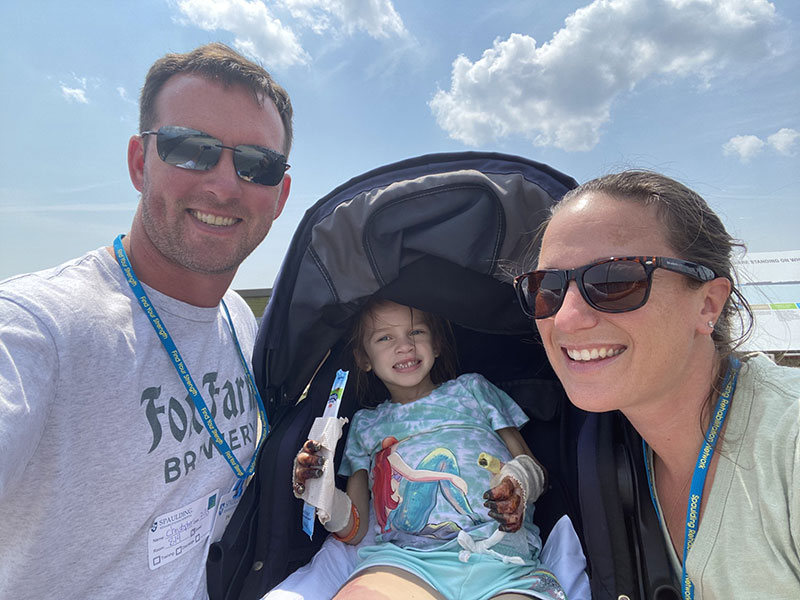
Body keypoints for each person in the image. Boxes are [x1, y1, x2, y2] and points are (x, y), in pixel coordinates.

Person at [0, 43, 292, 599]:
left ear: (279, 196)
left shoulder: (237, 319)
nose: (225, 185)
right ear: (140, 162)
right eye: (192, 149)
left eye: (257, 164)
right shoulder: (38, 330)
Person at [513, 170, 800, 598]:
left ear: (709, 303)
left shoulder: (788, 445)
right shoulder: (624, 447)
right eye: (545, 287)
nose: (567, 318)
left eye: (614, 280)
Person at [293, 299, 566, 600]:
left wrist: (518, 484)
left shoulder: (473, 390)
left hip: (503, 558)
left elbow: (534, 468)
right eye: (385, 338)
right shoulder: (366, 424)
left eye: (417, 332)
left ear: (436, 345)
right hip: (406, 563)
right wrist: (322, 493)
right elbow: (355, 529)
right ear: (363, 359)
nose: (405, 346)